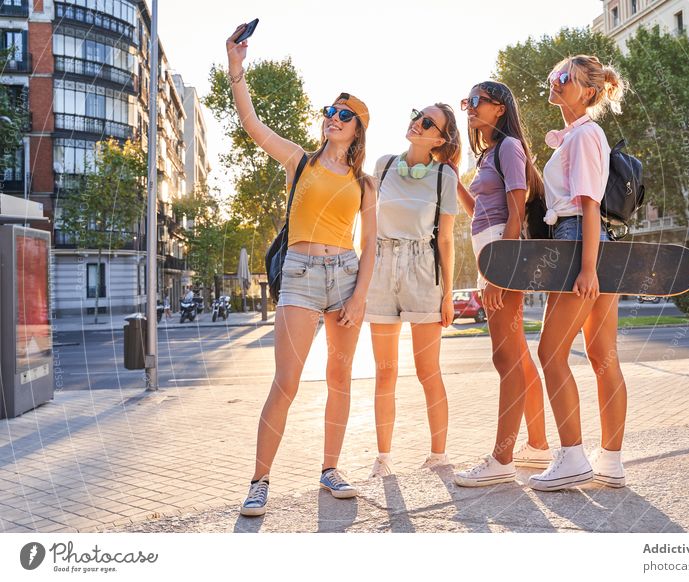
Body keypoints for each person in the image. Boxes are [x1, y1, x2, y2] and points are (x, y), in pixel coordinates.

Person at [225, 24, 377, 516]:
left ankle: (330, 469)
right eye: (330, 111)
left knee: (340, 377)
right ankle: (259, 480)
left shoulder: (365, 183)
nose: (334, 117)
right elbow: (252, 124)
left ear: (357, 129)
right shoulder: (301, 161)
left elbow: (371, 245)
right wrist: (236, 67)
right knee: (285, 383)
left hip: (347, 276)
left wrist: (359, 297)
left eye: (344, 114)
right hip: (300, 275)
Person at [529, 55, 628, 492]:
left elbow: (587, 203)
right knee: (602, 355)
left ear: (587, 91)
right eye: (552, 75)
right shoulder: (575, 136)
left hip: (577, 245)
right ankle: (612, 462)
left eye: (563, 77)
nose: (554, 81)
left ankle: (572, 456)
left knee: (551, 353)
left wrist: (587, 268)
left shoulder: (586, 134)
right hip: (588, 243)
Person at [452, 81, 551, 487]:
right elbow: (480, 212)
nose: (471, 108)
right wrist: (453, 177)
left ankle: (501, 458)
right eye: (467, 102)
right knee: (518, 356)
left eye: (478, 101)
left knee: (505, 359)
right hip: (490, 253)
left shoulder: (509, 147)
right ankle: (539, 444)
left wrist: (500, 271)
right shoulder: (489, 153)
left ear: (500, 108)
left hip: (502, 256)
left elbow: (515, 211)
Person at [366, 105, 460, 478]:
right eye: (417, 115)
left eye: (427, 123)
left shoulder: (443, 178)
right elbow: (369, 227)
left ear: (439, 138)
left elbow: (448, 240)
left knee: (428, 371)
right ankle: (383, 458)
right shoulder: (384, 165)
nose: (416, 123)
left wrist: (448, 294)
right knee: (384, 371)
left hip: (424, 270)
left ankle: (438, 455)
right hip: (382, 267)